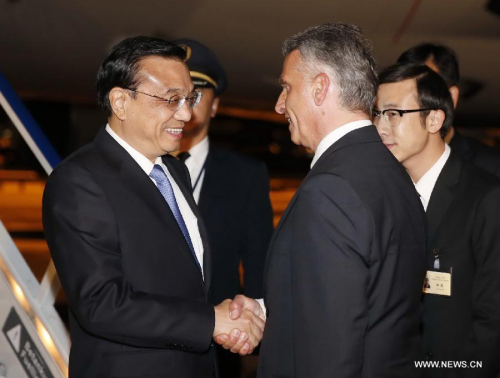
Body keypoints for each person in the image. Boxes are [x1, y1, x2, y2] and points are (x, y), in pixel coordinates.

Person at [42, 36, 264, 378]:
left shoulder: (173, 170)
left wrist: (229, 316)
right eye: (171, 99)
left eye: (189, 98)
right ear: (120, 102)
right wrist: (211, 321)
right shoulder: (79, 181)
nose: (187, 113)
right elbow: (102, 304)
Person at [227, 23, 427, 377]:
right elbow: (362, 302)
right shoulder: (393, 174)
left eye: (287, 87)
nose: (278, 104)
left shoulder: (330, 189)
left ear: (320, 88)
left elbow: (329, 353)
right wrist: (266, 309)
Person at [374, 62, 500, 377]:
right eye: (376, 114)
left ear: (434, 119)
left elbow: (493, 322)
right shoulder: (384, 196)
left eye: (393, 114)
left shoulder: (485, 197)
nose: (381, 127)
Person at [171, 37, 274, 378]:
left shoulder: (245, 175)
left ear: (215, 106)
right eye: (176, 91)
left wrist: (253, 330)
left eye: (197, 93)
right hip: (146, 341)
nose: (186, 102)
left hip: (218, 349)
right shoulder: (142, 169)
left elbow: (259, 262)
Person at [397, 43, 500, 178]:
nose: (412, 103)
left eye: (425, 91)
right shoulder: (387, 161)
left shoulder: (489, 167)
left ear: (451, 97)